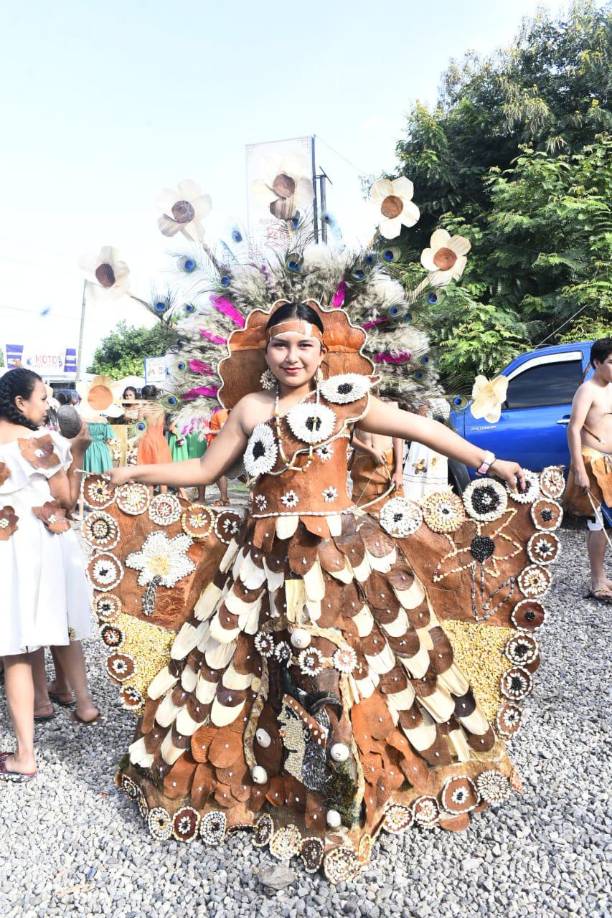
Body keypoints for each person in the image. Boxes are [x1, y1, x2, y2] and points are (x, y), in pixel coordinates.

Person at [106, 300, 532, 873]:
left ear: (320, 352)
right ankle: (267, 784)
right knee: (247, 670)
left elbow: (421, 427)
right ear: (266, 351)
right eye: (281, 345)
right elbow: (204, 472)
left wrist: (489, 461)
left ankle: (349, 793)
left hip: (338, 563)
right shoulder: (251, 408)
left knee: (350, 669)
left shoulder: (346, 400)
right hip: (260, 565)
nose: (292, 356)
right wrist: (134, 473)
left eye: (305, 345)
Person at [0, 368, 98, 782]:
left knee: (15, 645)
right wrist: (76, 454)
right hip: (48, 539)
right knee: (64, 623)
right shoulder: (45, 444)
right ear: (20, 403)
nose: (48, 406)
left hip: (7, 544)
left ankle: (25, 753)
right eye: (42, 398)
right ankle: (84, 704)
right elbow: (66, 499)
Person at [565, 337, 612, 602]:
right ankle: (597, 581)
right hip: (592, 462)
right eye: (611, 362)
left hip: (611, 464)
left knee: (610, 524)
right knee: (599, 523)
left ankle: (604, 576)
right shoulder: (588, 390)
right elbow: (573, 429)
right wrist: (579, 469)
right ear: (596, 363)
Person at [350, 395, 404, 508]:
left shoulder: (390, 404)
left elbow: (398, 436)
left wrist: (399, 470)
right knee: (363, 511)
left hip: (387, 463)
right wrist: (370, 451)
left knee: (392, 510)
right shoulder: (354, 400)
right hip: (363, 465)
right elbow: (347, 436)